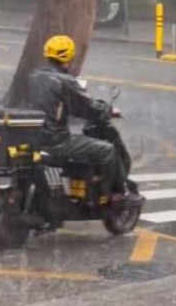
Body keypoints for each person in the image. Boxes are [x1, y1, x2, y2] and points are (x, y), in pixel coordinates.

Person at [27, 35, 142, 206]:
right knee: (107, 150)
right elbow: (86, 107)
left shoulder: (34, 77)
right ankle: (119, 193)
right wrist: (108, 110)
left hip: (34, 139)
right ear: (69, 57)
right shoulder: (65, 81)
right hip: (56, 142)